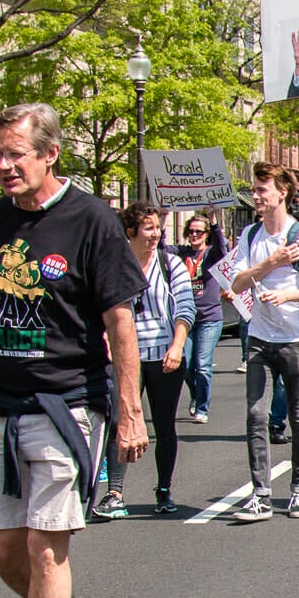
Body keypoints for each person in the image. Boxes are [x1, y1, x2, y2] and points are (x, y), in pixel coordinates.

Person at [0, 103, 147, 598]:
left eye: (15, 153)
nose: (3, 165)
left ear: (49, 154)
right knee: (1, 544)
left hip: (65, 403)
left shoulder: (93, 219)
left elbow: (119, 324)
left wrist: (129, 412)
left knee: (48, 544)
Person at [230, 162, 299, 520]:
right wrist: (270, 264)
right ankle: (260, 493)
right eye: (255, 190)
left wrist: (288, 297)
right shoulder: (249, 236)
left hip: (298, 339)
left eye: (262, 190)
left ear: (282, 193)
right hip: (260, 337)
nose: (256, 196)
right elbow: (238, 283)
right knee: (256, 414)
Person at [93, 204, 193, 518]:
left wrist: (177, 347)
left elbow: (185, 309)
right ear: (131, 231)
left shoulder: (170, 263)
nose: (155, 234)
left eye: (157, 228)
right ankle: (114, 493)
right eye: (148, 228)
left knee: (164, 426)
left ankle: (163, 489)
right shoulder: (114, 264)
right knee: (120, 421)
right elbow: (102, 306)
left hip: (164, 355)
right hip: (128, 357)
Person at [173, 213, 226, 423]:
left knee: (203, 365)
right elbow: (158, 247)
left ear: (206, 234)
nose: (195, 235)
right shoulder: (180, 253)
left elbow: (222, 249)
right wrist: (161, 215)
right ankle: (195, 395)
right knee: (184, 365)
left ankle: (202, 407)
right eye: (192, 231)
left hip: (209, 318)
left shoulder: (211, 254)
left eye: (199, 231)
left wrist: (214, 224)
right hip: (186, 318)